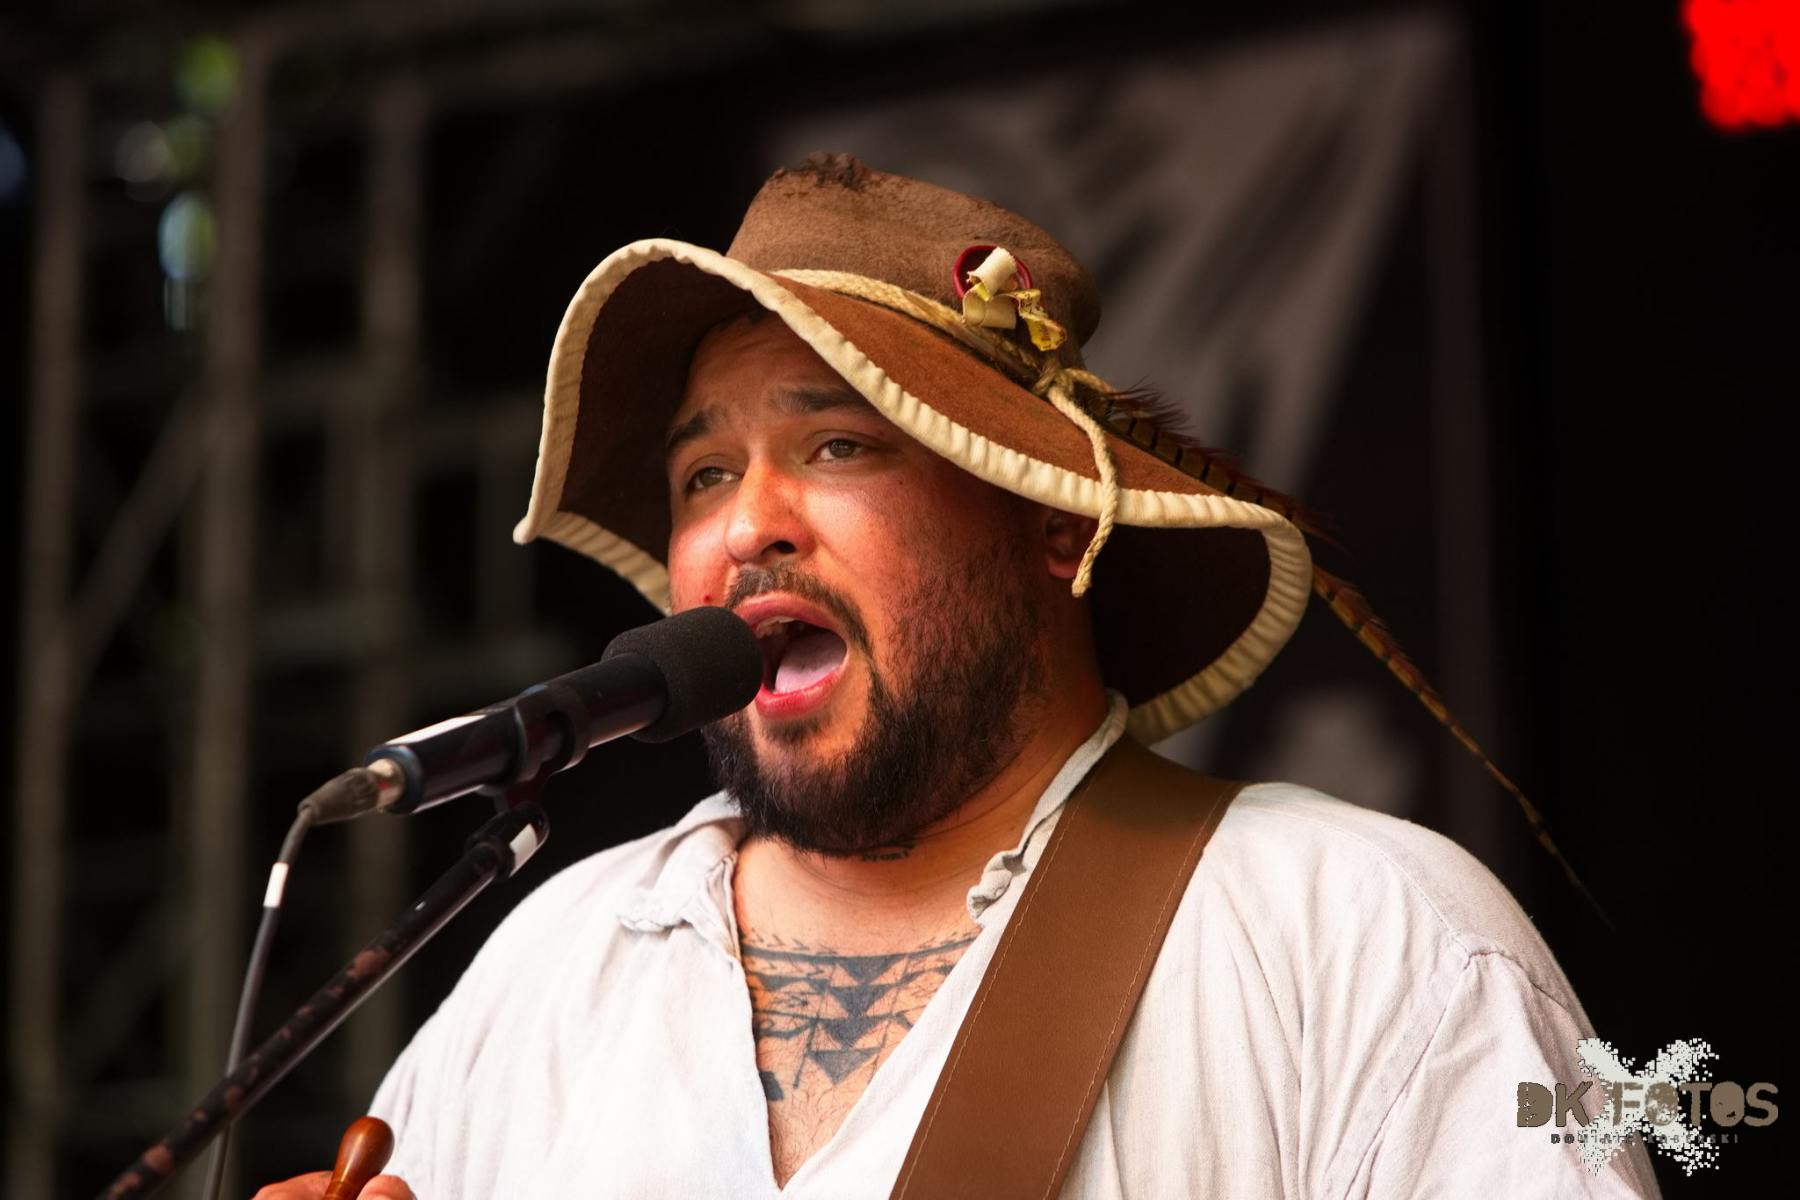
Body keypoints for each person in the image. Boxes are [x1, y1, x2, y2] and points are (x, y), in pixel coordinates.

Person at [256, 155, 1658, 1198]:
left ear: (1049, 519)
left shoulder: (1364, 935)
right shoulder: (558, 965)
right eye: (704, 475)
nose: (747, 526)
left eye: (837, 445)